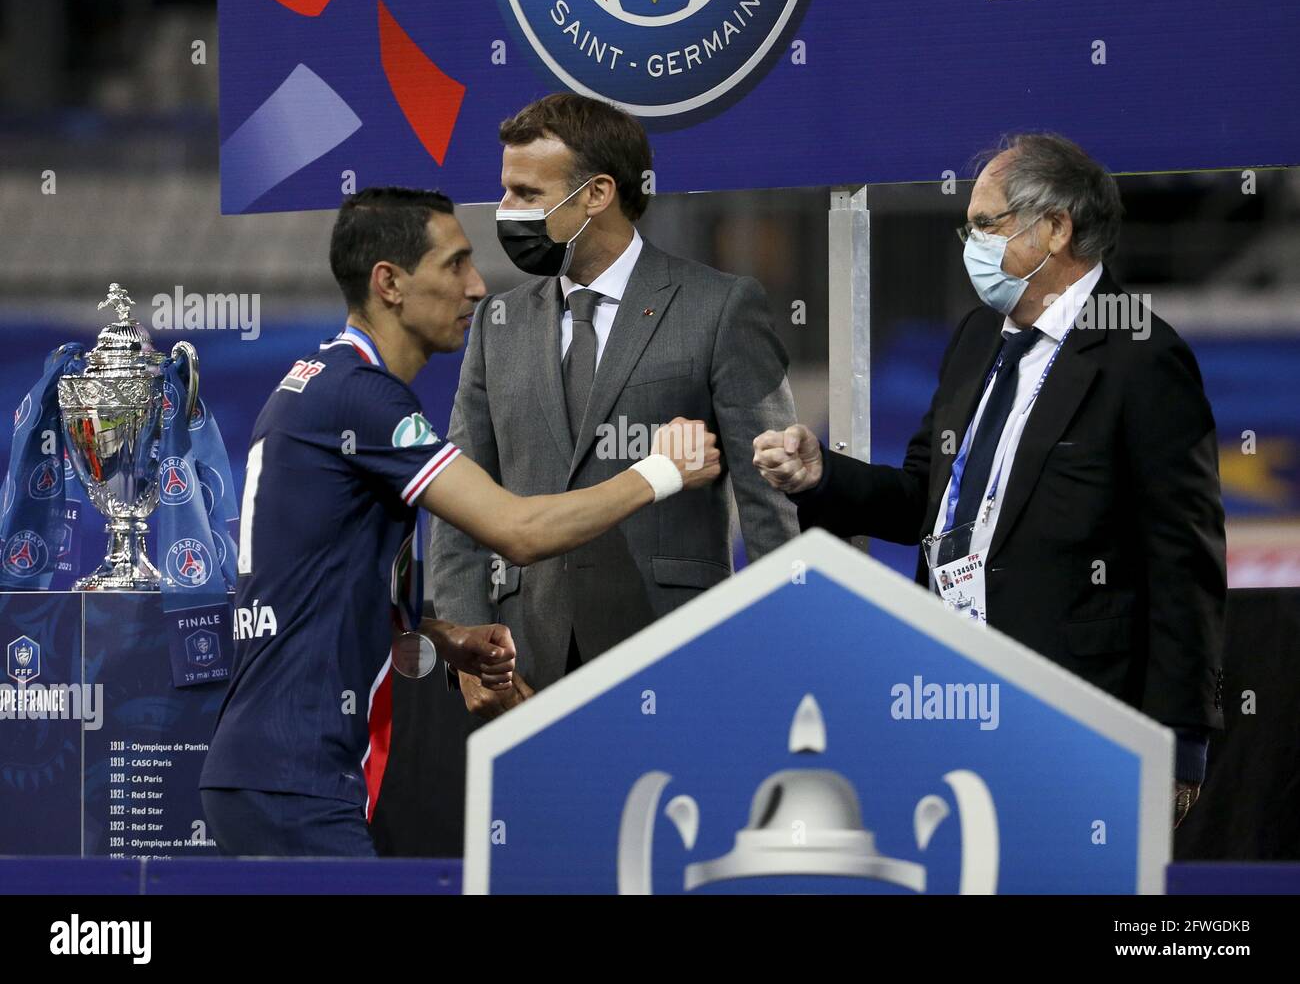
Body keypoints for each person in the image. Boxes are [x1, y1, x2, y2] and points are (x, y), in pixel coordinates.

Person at [198, 187, 719, 856]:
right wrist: (660, 473)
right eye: (454, 265)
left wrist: (443, 639)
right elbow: (518, 530)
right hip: (294, 777)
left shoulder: (321, 382)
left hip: (272, 769)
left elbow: (330, 590)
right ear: (389, 282)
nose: (476, 287)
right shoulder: (363, 398)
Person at [753, 134, 1226, 828]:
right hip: (947, 694)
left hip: (1076, 713)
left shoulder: (1143, 360)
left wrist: (1179, 746)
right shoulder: (976, 337)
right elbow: (927, 499)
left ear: (1057, 228)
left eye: (986, 224)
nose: (968, 242)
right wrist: (823, 477)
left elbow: (1184, 567)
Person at [429, 93, 799, 718]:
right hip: (524, 663)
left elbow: (771, 503)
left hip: (678, 654)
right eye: (505, 192)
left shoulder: (720, 306)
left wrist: (774, 653)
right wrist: (465, 641)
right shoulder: (498, 322)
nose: (505, 212)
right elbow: (458, 500)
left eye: (526, 193)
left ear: (597, 194)